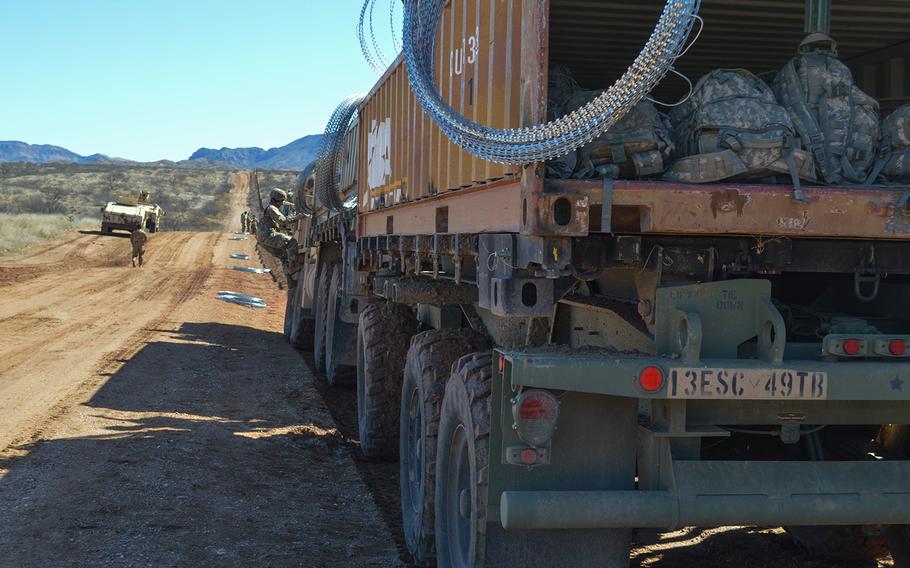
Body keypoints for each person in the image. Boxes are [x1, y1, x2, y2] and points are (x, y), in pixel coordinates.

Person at [256, 188, 302, 272]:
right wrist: (296, 218)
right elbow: (282, 221)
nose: (281, 204)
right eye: (281, 201)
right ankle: (294, 267)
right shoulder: (272, 208)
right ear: (278, 200)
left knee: (284, 256)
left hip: (261, 239)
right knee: (292, 242)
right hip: (268, 236)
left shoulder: (268, 208)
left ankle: (290, 277)